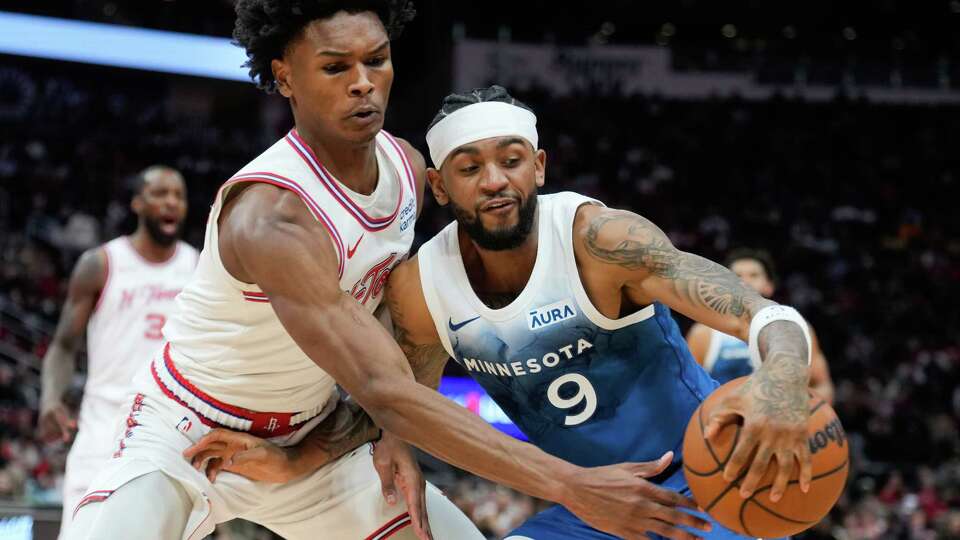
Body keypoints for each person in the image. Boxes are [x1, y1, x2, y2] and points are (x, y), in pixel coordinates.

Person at [66, 5, 695, 540]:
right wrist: (571, 485)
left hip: (314, 439)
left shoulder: (407, 170)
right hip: (186, 432)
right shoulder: (271, 218)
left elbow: (401, 331)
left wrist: (361, 439)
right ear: (284, 77)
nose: (364, 83)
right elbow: (385, 385)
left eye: (377, 59)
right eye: (336, 67)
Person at [186, 86, 818, 540]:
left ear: (537, 167)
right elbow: (398, 408)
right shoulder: (423, 287)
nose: (494, 180)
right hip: (587, 507)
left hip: (708, 483)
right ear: (440, 187)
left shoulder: (600, 240)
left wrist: (785, 381)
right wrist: (298, 460)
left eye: (511, 160)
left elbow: (765, 315)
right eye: (469, 167)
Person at [37, 166, 198, 534]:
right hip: (102, 427)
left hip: (170, 428)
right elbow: (63, 345)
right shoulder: (101, 264)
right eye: (160, 193)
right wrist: (50, 399)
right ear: (138, 203)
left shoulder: (199, 266)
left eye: (179, 195)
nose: (171, 201)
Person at [685, 248, 835, 403]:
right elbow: (687, 388)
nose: (744, 281)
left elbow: (822, 385)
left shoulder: (796, 329)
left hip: (780, 424)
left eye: (754, 275)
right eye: (736, 276)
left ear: (769, 286)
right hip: (720, 423)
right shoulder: (703, 333)